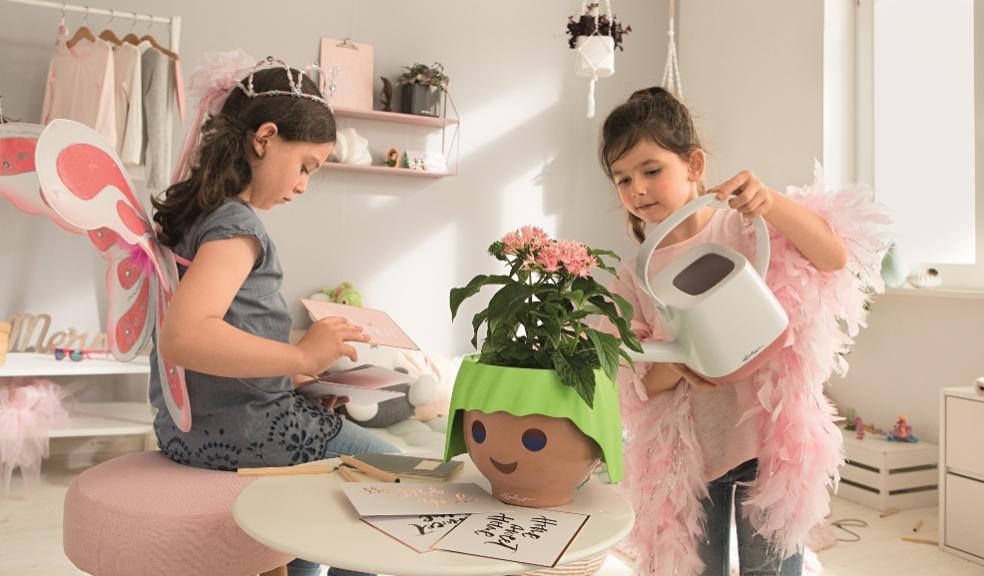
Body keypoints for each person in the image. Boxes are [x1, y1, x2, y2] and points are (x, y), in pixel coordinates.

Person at [598, 87, 888, 575]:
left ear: (693, 165)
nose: (637, 189)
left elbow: (833, 258)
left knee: (771, 570)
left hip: (768, 444)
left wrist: (770, 202)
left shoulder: (742, 229)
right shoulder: (635, 277)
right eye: (622, 179)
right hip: (689, 461)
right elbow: (632, 383)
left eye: (651, 170)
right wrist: (679, 366)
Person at [149, 54, 396, 576]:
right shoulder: (236, 224)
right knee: (398, 474)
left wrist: (291, 368)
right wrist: (300, 351)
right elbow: (186, 336)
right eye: (306, 166)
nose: (304, 185)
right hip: (246, 428)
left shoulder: (200, 213)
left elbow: (219, 335)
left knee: (315, 506)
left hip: (187, 428)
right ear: (264, 137)